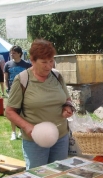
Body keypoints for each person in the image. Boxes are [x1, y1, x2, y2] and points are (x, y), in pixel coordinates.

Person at [6, 39, 74, 170]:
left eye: (51, 61)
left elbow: (67, 99)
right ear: (32, 60)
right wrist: (27, 127)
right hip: (35, 141)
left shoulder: (57, 76)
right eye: (44, 62)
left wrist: (68, 107)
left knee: (59, 177)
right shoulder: (22, 79)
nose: (49, 66)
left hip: (60, 138)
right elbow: (9, 111)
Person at [4, 45, 31, 141]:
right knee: (12, 112)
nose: (12, 54)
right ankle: (13, 132)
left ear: (20, 53)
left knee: (24, 112)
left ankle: (21, 130)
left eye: (14, 52)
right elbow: (5, 79)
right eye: (11, 52)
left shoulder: (27, 65)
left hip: (25, 92)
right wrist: (7, 89)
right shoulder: (7, 64)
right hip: (12, 92)